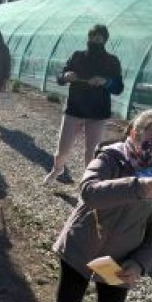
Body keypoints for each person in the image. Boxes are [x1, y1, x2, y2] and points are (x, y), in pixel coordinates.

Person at [41, 109, 152, 302]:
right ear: (135, 133)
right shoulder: (109, 157)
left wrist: (139, 263)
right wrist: (135, 187)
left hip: (120, 262)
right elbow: (88, 192)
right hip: (80, 249)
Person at [44, 24, 124, 184]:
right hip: (74, 110)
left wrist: (106, 81)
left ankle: (87, 183)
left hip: (98, 113)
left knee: (92, 152)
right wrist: (66, 75)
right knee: (62, 150)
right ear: (88, 38)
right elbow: (60, 77)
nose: (95, 41)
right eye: (92, 38)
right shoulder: (77, 56)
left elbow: (118, 88)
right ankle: (57, 169)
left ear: (105, 40)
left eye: (99, 38)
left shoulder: (112, 61)